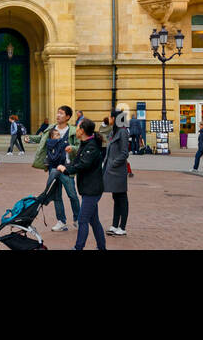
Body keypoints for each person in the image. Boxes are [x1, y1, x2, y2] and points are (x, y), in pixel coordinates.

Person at [29, 105, 81, 231]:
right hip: (53, 167)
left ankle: (78, 219)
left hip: (67, 168)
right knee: (56, 196)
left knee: (72, 195)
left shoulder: (73, 131)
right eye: (58, 113)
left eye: (61, 113)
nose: (58, 115)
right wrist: (29, 138)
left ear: (68, 117)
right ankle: (61, 221)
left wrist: (72, 148)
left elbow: (79, 146)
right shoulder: (51, 128)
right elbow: (42, 138)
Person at [57, 117, 106, 250]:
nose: (76, 130)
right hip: (87, 188)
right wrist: (66, 166)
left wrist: (66, 170)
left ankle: (78, 248)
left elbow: (83, 165)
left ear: (83, 131)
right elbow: (77, 162)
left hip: (92, 189)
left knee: (83, 220)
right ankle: (102, 247)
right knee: (94, 220)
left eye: (78, 127)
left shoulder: (91, 146)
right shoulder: (85, 144)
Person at [102, 110, 130, 236]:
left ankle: (122, 227)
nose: (109, 118)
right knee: (116, 198)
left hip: (118, 170)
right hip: (112, 170)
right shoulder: (114, 131)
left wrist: (113, 163)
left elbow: (125, 153)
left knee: (122, 198)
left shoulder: (123, 132)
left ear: (115, 118)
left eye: (110, 116)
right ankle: (114, 225)